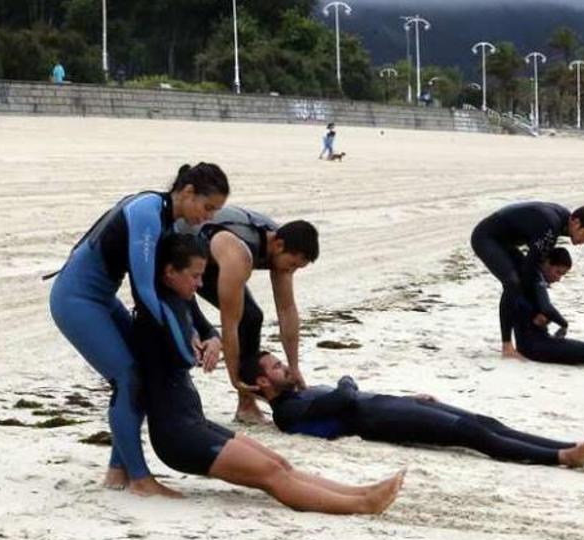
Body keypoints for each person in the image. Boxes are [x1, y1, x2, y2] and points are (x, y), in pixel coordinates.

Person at [134, 234, 404, 513]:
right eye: (195, 276)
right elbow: (182, 354)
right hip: (179, 438)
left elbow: (208, 331)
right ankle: (361, 506)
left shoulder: (182, 299)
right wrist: (195, 346)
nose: (201, 284)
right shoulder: (157, 311)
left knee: (279, 463)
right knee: (271, 476)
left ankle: (361, 493)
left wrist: (211, 340)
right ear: (169, 272)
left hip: (194, 422)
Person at [47, 163, 229, 497]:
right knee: (128, 377)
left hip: (100, 297)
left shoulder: (170, 222)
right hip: (76, 299)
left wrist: (208, 331)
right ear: (187, 192)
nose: (209, 217)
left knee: (139, 374)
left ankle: (118, 471)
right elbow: (145, 291)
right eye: (207, 207)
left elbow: (177, 288)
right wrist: (182, 345)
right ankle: (140, 479)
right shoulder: (147, 212)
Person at [253, 353, 584, 467]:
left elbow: (348, 397)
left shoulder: (299, 395)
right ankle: (562, 457)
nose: (284, 367)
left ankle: (565, 444)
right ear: (261, 385)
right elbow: (346, 399)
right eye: (274, 368)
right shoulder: (287, 412)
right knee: (470, 434)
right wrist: (347, 379)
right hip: (379, 420)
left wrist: (409, 397)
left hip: (389, 406)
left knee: (482, 421)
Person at [179, 206, 318, 424]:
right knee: (237, 319)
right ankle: (245, 403)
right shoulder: (240, 252)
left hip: (212, 258)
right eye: (292, 264)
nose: (291, 271)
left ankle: (246, 403)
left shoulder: (281, 243)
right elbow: (230, 322)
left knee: (252, 317)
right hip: (174, 254)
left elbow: (287, 310)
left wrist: (294, 366)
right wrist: (235, 378)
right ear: (279, 246)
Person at [469, 202, 584, 360]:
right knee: (513, 283)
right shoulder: (551, 226)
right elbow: (529, 269)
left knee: (528, 277)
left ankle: (528, 324)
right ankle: (507, 346)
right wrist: (541, 309)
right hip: (486, 237)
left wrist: (541, 308)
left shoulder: (563, 220)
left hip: (505, 242)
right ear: (576, 222)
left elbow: (534, 268)